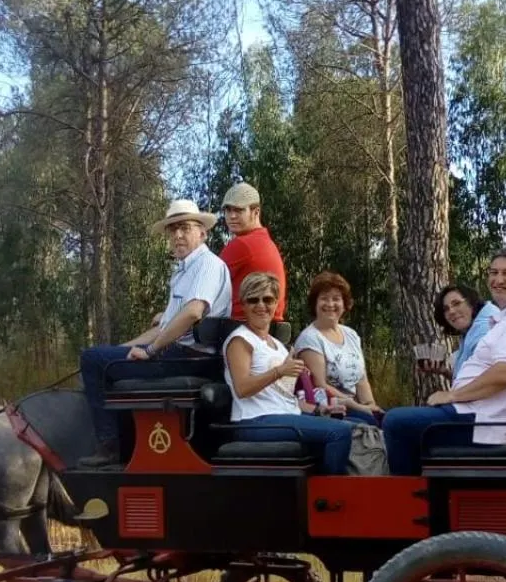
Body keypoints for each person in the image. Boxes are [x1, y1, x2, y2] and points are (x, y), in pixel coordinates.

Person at [383, 247, 506, 477]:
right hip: (487, 414)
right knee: (406, 418)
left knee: (395, 422)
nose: (498, 280)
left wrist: (452, 395)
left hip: (486, 426)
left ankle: (409, 505)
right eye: (493, 272)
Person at [78, 197, 232, 463]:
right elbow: (165, 327)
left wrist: (150, 350)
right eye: (173, 230)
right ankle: (126, 442)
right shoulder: (184, 271)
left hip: (193, 360)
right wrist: (122, 349)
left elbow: (194, 312)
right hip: (177, 354)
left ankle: (109, 445)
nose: (178, 236)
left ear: (202, 232)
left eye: (185, 228)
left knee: (91, 361)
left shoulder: (208, 264)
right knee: (100, 356)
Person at [222, 271, 354, 474]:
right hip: (254, 421)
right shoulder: (240, 341)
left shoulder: (277, 345)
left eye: (267, 299)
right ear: (244, 305)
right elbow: (242, 388)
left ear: (276, 303)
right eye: (252, 300)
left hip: (282, 416)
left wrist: (318, 410)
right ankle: (331, 499)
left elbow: (283, 396)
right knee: (339, 433)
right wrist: (279, 371)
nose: (260, 306)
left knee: (354, 423)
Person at [294, 271, 384, 420]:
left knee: (390, 420)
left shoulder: (351, 335)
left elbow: (361, 381)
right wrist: (360, 408)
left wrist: (371, 405)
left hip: (356, 406)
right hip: (330, 409)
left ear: (344, 304)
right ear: (315, 304)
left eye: (336, 299)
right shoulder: (310, 338)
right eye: (324, 299)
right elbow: (320, 384)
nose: (330, 304)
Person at [219, 181, 287, 320]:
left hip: (242, 326)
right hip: (266, 326)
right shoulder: (266, 242)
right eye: (228, 210)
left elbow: (206, 284)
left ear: (256, 212)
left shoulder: (243, 244)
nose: (231, 216)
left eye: (239, 210)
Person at [435, 283, 500, 373]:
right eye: (446, 309)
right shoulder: (469, 332)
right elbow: (472, 379)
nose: (451, 311)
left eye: (456, 303)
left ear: (471, 302)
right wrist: (444, 372)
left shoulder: (484, 332)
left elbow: (491, 382)